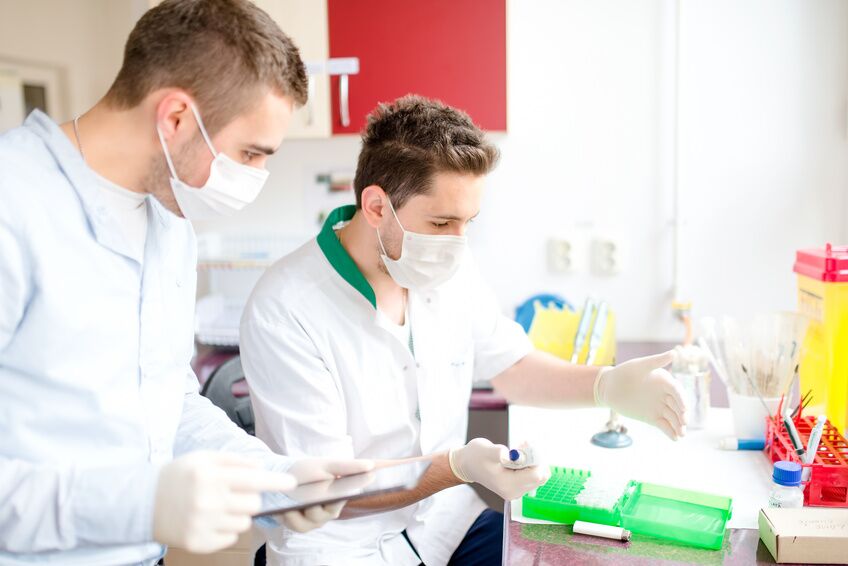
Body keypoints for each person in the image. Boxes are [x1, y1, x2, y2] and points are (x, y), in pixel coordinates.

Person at [240, 95, 688, 565]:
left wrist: (606, 385)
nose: (458, 243)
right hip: (341, 546)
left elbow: (511, 365)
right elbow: (329, 488)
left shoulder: (446, 265)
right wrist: (459, 466)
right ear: (375, 206)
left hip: (445, 525)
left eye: (467, 222)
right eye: (440, 222)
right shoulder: (285, 308)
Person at [0, 1, 370, 564]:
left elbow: (167, 403)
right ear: (174, 117)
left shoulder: (170, 222)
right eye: (250, 153)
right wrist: (142, 504)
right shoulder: (14, 204)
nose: (256, 177)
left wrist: (277, 476)